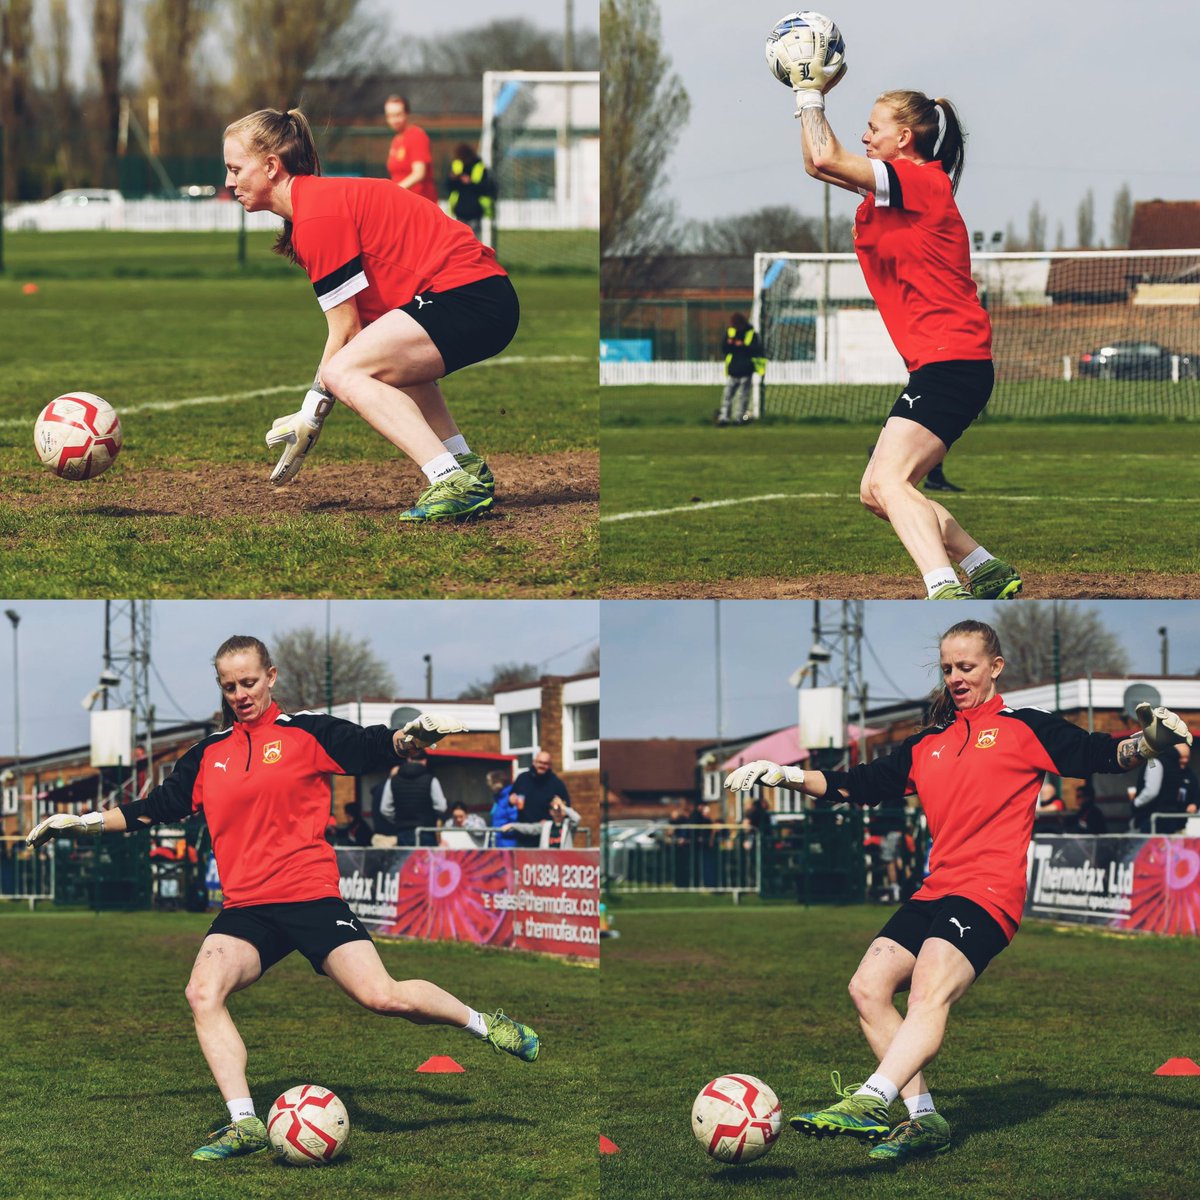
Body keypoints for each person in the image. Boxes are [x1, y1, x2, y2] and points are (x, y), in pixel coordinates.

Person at [25, 635, 539, 1162]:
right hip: (246, 909)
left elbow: (370, 747)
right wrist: (82, 822)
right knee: (202, 993)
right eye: (230, 686)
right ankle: (244, 1124)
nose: (241, 694)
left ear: (271, 676)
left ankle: (486, 1025)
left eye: (249, 682)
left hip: (309, 896)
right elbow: (158, 806)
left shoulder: (306, 732)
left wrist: (410, 739)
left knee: (382, 997)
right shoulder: (207, 755)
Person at [725, 619, 1191, 1165]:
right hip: (935, 890)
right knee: (866, 988)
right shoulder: (928, 743)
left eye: (966, 667)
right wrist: (783, 775)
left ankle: (871, 1099)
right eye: (948, 668)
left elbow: (1097, 754)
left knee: (928, 990)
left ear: (996, 667)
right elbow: (858, 784)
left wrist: (1148, 743)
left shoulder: (1024, 727)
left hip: (989, 891)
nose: (955, 677)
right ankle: (924, 1120)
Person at [788, 45, 1020, 600]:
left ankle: (943, 587)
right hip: (942, 365)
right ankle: (985, 567)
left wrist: (811, 92)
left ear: (904, 138)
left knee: (889, 482)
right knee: (876, 492)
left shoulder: (919, 183)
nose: (865, 136)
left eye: (874, 128)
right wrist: (802, 97)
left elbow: (828, 156)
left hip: (953, 362)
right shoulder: (895, 189)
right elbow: (816, 162)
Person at [223, 107, 519, 519]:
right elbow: (363, 330)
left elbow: (345, 333)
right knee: (379, 358)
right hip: (482, 294)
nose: (229, 182)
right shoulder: (316, 204)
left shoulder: (317, 215)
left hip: (470, 295)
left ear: (271, 166)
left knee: (343, 371)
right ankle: (463, 464)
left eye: (235, 169)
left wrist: (312, 413)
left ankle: (451, 480)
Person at [373, 746, 446, 847]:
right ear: (425, 761)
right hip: (426, 831)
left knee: (407, 858)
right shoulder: (431, 780)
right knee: (425, 858)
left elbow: (385, 809)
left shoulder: (393, 780)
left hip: (403, 832)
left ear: (408, 759)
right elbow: (441, 807)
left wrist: (399, 820)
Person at [1129, 740, 1195, 834]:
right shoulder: (1174, 763)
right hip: (1170, 818)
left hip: (1152, 818)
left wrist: (1135, 803)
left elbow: (1151, 791)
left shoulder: (1153, 761)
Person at [510, 751, 571, 849]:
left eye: (546, 763)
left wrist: (550, 821)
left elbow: (565, 807)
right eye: (540, 762)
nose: (542, 766)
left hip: (545, 833)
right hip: (524, 833)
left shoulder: (556, 783)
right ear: (534, 762)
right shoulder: (522, 779)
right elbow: (512, 797)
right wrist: (511, 800)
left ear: (550, 765)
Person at [384, 95, 438, 204]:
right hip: (402, 201)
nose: (394, 120)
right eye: (390, 116)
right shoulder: (396, 140)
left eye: (398, 115)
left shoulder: (416, 135)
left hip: (420, 203)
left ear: (407, 114)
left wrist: (395, 190)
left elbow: (419, 173)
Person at [717, 313, 766, 425]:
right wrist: (730, 344)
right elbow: (724, 348)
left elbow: (757, 350)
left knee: (742, 397)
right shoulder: (730, 333)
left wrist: (743, 345)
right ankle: (724, 418)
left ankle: (739, 418)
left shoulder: (752, 334)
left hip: (745, 370)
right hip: (733, 370)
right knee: (727, 396)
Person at [445, 143, 496, 238]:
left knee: (472, 237)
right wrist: (455, 179)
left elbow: (486, 187)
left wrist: (470, 182)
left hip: (474, 209)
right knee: (463, 237)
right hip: (461, 209)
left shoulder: (479, 167)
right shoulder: (456, 166)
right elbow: (449, 186)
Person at [502, 795, 582, 849]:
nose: (557, 813)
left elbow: (577, 818)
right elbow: (530, 828)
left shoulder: (568, 825)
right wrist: (512, 826)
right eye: (554, 810)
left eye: (559, 810)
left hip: (563, 860)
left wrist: (562, 806)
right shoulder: (546, 825)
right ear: (550, 812)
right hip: (547, 861)